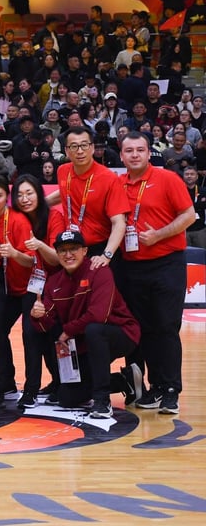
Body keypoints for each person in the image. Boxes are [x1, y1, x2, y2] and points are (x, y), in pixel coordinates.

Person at [115, 132, 194, 414]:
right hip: (131, 267)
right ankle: (150, 388)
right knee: (141, 330)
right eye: (129, 151)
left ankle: (170, 389)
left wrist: (158, 235)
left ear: (149, 153)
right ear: (121, 155)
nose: (135, 155)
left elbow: (189, 215)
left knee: (166, 327)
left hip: (166, 263)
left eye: (140, 150)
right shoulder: (117, 184)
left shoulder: (168, 179)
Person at [30, 230, 141, 417]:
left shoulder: (99, 271)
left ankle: (102, 401)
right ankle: (124, 380)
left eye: (73, 249)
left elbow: (99, 316)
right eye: (62, 250)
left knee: (94, 330)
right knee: (68, 398)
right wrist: (37, 315)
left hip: (121, 333)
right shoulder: (53, 283)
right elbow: (47, 323)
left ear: (84, 251)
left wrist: (67, 331)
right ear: (57, 254)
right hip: (83, 342)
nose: (68, 254)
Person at [0, 174, 36, 409]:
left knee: (33, 336)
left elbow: (32, 262)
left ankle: (35, 389)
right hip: (8, 286)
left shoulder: (19, 221)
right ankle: (3, 385)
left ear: (7, 197)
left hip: (30, 285)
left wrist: (13, 253)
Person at [11, 174, 67, 407]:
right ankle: (31, 389)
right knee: (30, 334)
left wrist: (40, 245)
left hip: (58, 287)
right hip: (30, 287)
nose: (24, 199)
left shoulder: (54, 217)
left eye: (29, 193)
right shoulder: (14, 219)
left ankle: (61, 383)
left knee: (55, 337)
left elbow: (59, 259)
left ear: (39, 194)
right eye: (20, 194)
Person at [50, 127, 127, 266]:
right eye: (74, 146)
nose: (80, 151)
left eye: (84, 145)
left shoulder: (109, 178)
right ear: (66, 151)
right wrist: (40, 203)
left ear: (92, 148)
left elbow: (119, 222)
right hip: (71, 246)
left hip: (99, 249)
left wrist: (106, 255)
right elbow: (65, 192)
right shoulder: (62, 171)